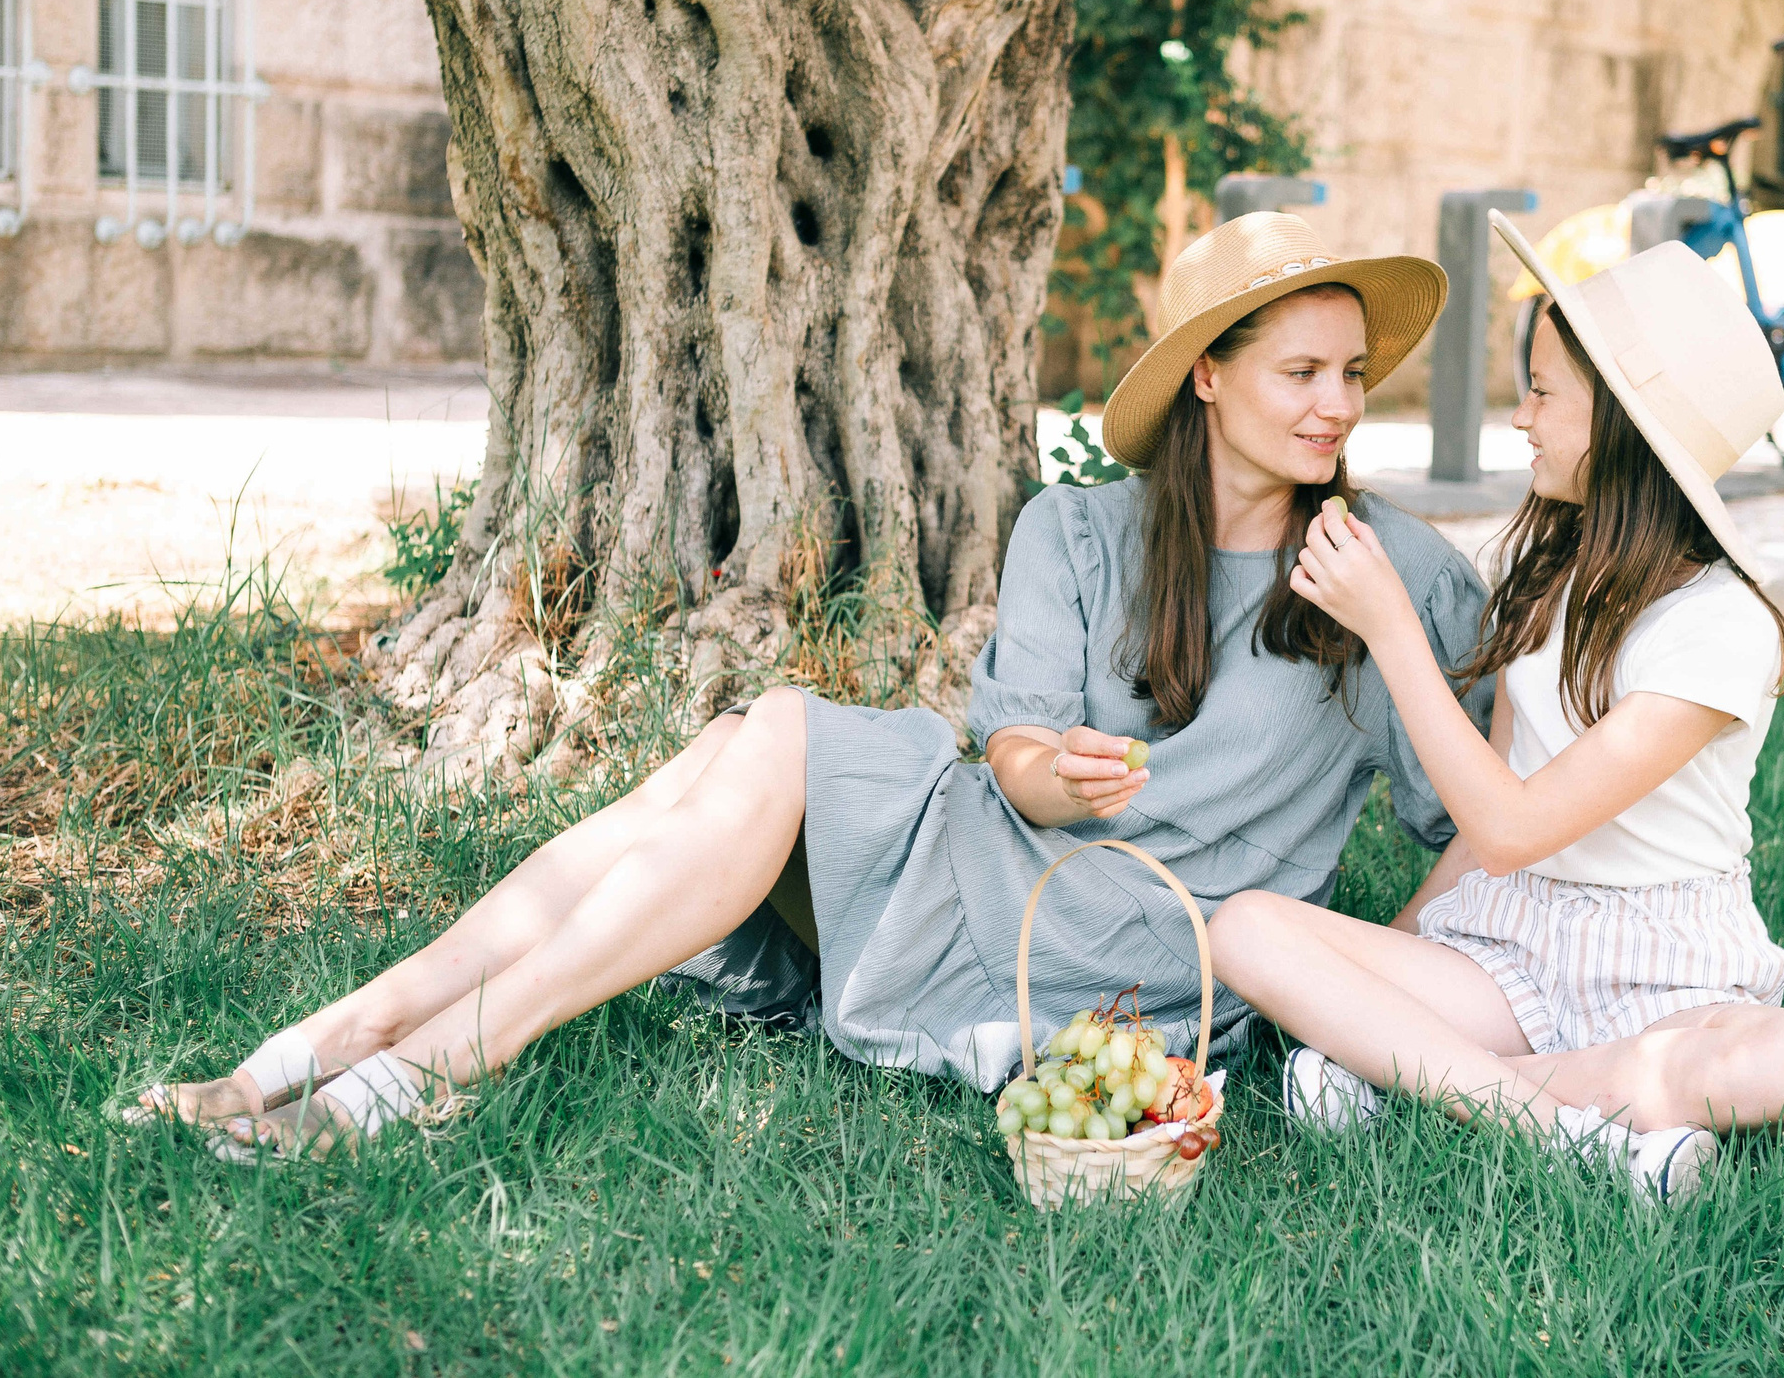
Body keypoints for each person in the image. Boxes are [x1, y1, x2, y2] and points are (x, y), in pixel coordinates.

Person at [126, 213, 1496, 1158]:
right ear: (1208, 374)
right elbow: (1007, 746)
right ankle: (360, 1037)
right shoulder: (1078, 530)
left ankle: (394, 1061)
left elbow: (1470, 829)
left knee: (744, 753)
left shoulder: (1391, 573)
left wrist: (1340, 1007)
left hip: (1145, 948)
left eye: (1353, 375)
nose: (1334, 405)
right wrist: (1049, 763)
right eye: (1300, 370)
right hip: (1001, 852)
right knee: (752, 747)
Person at [1209, 216, 1784, 1202]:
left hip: (1667, 968)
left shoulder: (1721, 626)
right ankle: (1568, 1129)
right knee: (1247, 928)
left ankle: (1418, 1084)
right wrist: (1404, 951)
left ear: (1626, 425)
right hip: (1508, 947)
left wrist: (1392, 631)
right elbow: (1487, 825)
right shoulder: (1533, 563)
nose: (1521, 418)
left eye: (1544, 393)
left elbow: (1515, 827)